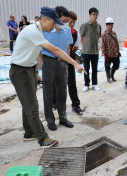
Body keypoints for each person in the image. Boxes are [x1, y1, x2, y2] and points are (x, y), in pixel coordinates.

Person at [9, 6, 85, 147]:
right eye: (53, 22)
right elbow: (55, 50)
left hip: (29, 69)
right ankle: (43, 138)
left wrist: (35, 72)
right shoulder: (33, 31)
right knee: (32, 106)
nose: (55, 26)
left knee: (28, 104)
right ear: (45, 19)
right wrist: (76, 64)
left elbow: (32, 53)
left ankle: (29, 132)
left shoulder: (40, 30)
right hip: (20, 72)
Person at [41, 6, 74, 131]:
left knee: (62, 91)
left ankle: (63, 117)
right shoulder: (46, 30)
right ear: (55, 18)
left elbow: (68, 47)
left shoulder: (67, 30)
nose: (65, 23)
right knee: (48, 92)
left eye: (67, 21)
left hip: (62, 63)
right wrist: (42, 63)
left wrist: (68, 61)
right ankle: (50, 120)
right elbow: (39, 47)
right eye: (63, 20)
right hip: (48, 62)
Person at [80, 7, 101, 92]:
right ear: (89, 15)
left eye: (96, 14)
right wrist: (83, 47)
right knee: (86, 69)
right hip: (86, 51)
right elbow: (81, 37)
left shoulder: (98, 26)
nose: (95, 16)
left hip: (95, 51)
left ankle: (95, 84)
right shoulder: (84, 25)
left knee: (95, 68)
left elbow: (99, 37)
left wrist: (99, 47)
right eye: (93, 14)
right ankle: (86, 84)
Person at [67, 11, 83, 115]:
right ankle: (54, 103)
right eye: (70, 22)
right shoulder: (56, 31)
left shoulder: (75, 33)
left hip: (70, 60)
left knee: (72, 83)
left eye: (74, 22)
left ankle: (75, 105)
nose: (72, 24)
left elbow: (76, 47)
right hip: (58, 62)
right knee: (57, 84)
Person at [101, 17, 121, 83]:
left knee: (116, 65)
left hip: (115, 53)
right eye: (109, 25)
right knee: (107, 66)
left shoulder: (114, 33)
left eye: (111, 25)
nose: (110, 26)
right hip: (108, 53)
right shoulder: (104, 34)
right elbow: (102, 44)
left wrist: (118, 51)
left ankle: (112, 75)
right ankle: (108, 77)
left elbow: (117, 42)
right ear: (106, 25)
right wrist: (104, 53)